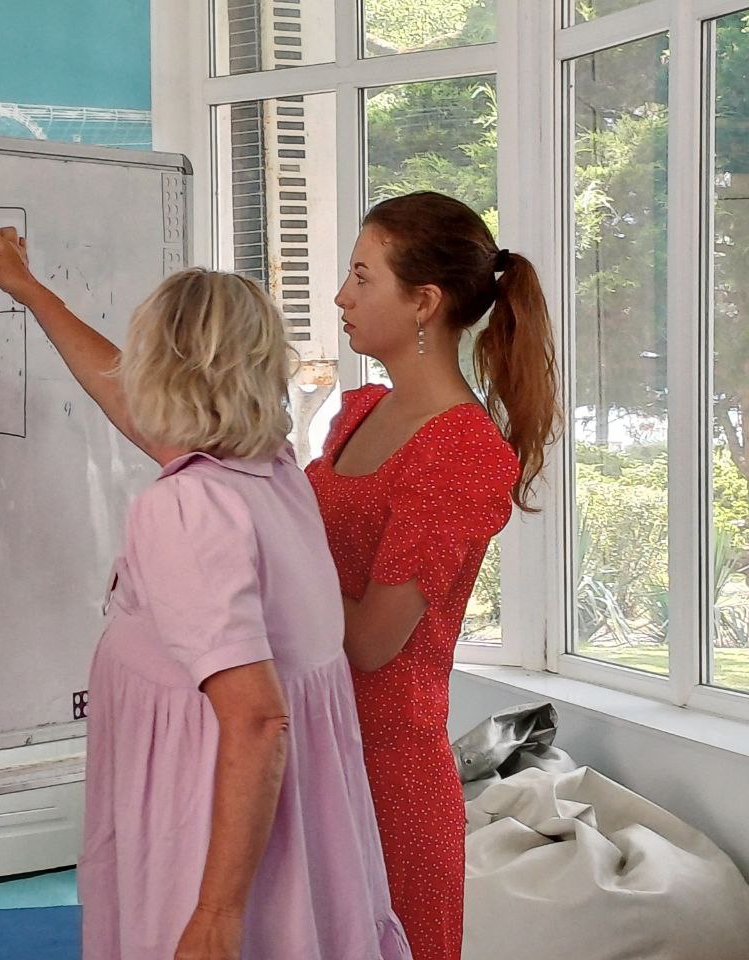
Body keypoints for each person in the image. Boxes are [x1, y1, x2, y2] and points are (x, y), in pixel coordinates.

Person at [0, 212, 410, 960]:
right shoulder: (270, 470)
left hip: (206, 827)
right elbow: (128, 400)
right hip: (289, 828)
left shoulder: (186, 508)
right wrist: (33, 292)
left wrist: (215, 914)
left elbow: (257, 721)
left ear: (161, 369)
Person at [304, 191, 561, 960]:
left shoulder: (461, 449)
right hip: (315, 748)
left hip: (388, 782)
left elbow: (373, 641)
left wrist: (274, 556)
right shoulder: (359, 412)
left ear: (424, 301)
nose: (341, 296)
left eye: (362, 277)